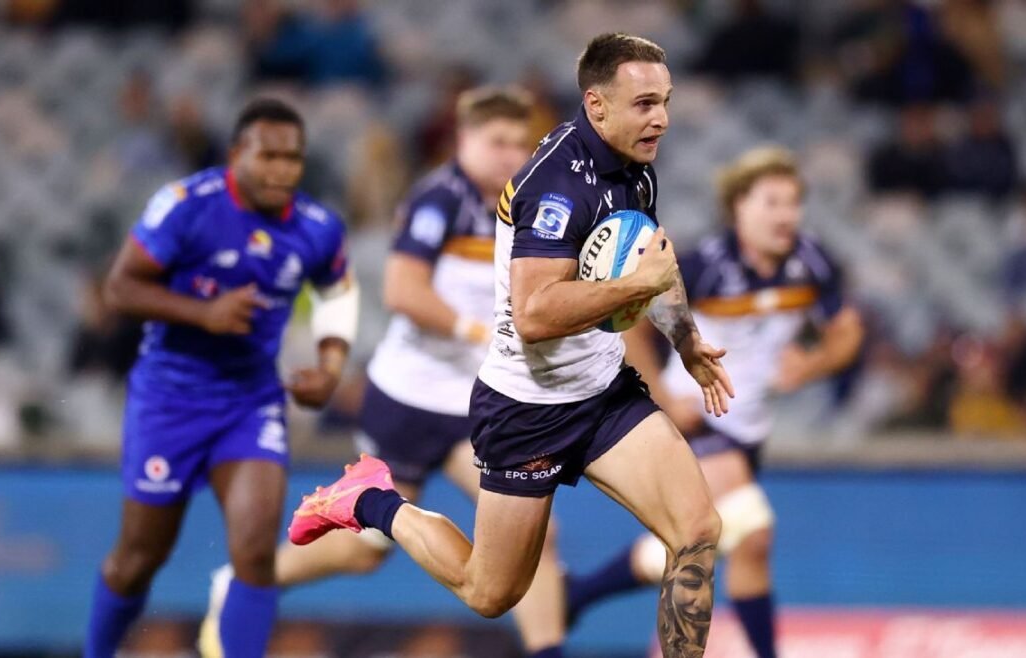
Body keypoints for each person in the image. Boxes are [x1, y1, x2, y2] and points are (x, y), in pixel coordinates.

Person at [290, 33, 735, 658]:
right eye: (644, 104)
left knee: (697, 530)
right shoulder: (555, 187)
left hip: (604, 394)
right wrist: (639, 285)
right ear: (597, 104)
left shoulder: (633, 164)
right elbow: (533, 314)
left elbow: (652, 259)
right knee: (490, 591)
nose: (660, 117)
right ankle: (369, 500)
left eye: (664, 101)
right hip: (528, 409)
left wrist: (685, 340)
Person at [198, 87, 568, 658]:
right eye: (497, 142)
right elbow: (403, 290)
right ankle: (246, 579)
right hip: (409, 399)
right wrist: (481, 333)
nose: (510, 155)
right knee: (366, 550)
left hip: (477, 404)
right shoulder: (438, 200)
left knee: (536, 535)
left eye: (520, 144)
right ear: (463, 140)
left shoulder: (526, 204)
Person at [84, 98, 358, 658]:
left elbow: (337, 291)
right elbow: (119, 288)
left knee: (255, 553)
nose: (282, 170)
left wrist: (331, 367)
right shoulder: (185, 206)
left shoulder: (316, 227)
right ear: (236, 155)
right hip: (169, 399)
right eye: (268, 156)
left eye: (293, 158)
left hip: (250, 401)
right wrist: (202, 313)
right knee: (139, 559)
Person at [565, 147, 864, 658]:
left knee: (708, 541)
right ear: (738, 207)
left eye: (793, 203)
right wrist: (662, 397)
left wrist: (812, 364)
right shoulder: (703, 266)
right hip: (698, 418)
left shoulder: (812, 262)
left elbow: (848, 332)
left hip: (749, 428)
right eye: (771, 202)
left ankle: (577, 593)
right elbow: (630, 326)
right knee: (752, 531)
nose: (786, 215)